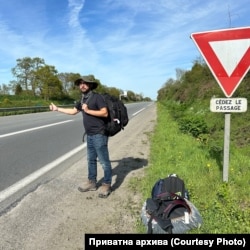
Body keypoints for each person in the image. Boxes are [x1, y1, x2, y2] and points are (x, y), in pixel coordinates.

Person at [49, 75, 112, 198]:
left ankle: (107, 184)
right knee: (91, 160)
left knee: (104, 162)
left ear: (90, 85)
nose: (82, 85)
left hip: (100, 134)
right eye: (80, 83)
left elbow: (104, 113)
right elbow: (73, 112)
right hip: (89, 135)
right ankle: (92, 182)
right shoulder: (83, 99)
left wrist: (88, 111)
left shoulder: (97, 97)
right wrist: (57, 109)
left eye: (85, 83)